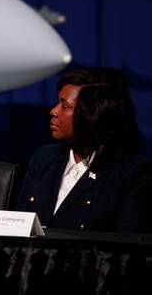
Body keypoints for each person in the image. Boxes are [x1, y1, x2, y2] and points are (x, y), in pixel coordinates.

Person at [16, 68, 152, 232]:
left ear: (94, 115)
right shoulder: (44, 157)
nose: (53, 111)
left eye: (65, 106)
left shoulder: (131, 172)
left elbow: (127, 248)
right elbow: (18, 225)